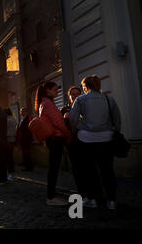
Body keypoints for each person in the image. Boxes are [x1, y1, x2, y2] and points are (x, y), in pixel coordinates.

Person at [70, 75, 121, 210]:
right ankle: (111, 201)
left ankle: (93, 200)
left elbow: (73, 120)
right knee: (107, 170)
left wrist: (78, 129)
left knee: (90, 171)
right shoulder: (109, 99)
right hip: (106, 138)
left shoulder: (80, 99)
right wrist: (114, 132)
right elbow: (117, 119)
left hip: (86, 139)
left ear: (85, 86)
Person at [35, 82, 71, 206]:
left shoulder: (44, 103)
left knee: (53, 167)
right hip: (56, 138)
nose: (57, 91)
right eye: (55, 89)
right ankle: (51, 197)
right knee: (54, 168)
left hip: (52, 138)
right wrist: (68, 135)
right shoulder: (48, 103)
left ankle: (52, 194)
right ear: (47, 90)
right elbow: (59, 123)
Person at [61, 86, 85, 199]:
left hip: (86, 141)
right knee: (76, 167)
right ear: (69, 96)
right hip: (72, 142)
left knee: (87, 167)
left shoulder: (86, 107)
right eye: (73, 94)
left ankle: (91, 190)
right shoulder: (65, 109)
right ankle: (81, 190)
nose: (75, 96)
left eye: (77, 94)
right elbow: (62, 127)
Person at [5, 108, 17, 181]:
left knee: (8, 157)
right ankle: (12, 172)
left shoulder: (7, 120)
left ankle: (10, 173)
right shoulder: (13, 119)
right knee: (10, 156)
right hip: (13, 138)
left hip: (8, 139)